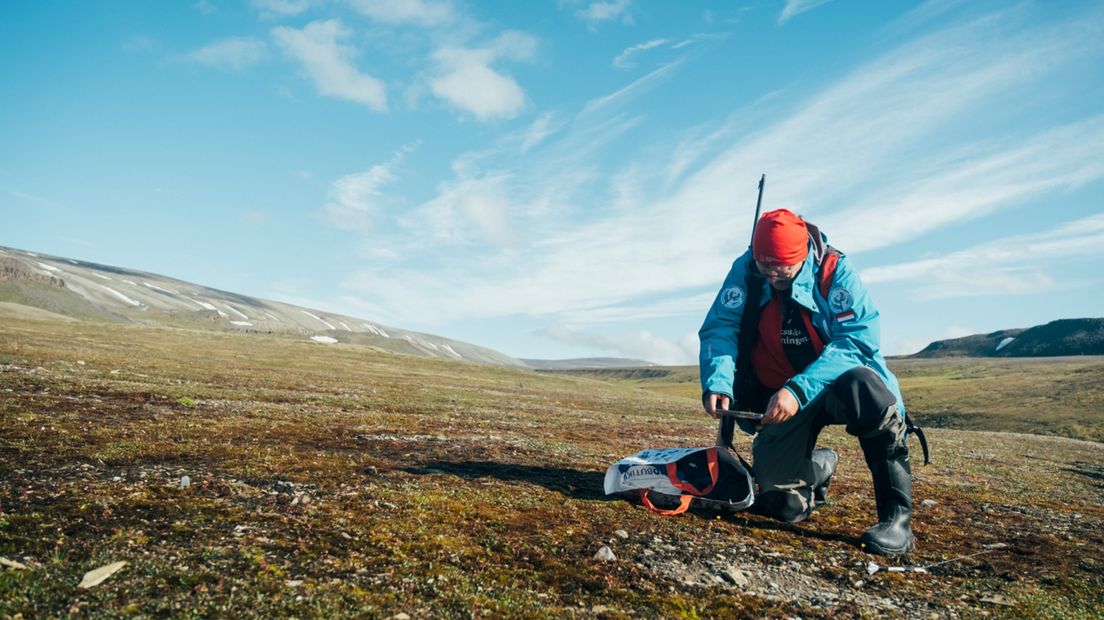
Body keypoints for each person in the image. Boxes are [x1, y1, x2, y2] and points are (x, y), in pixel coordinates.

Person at [698, 208, 914, 556]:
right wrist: (718, 382)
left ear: (802, 256)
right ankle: (819, 467)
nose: (771, 275)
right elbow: (721, 326)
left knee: (866, 388)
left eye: (781, 266)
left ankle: (896, 518)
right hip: (779, 398)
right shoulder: (747, 269)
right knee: (780, 506)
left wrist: (798, 389)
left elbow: (857, 341)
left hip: (833, 388)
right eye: (764, 265)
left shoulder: (835, 271)